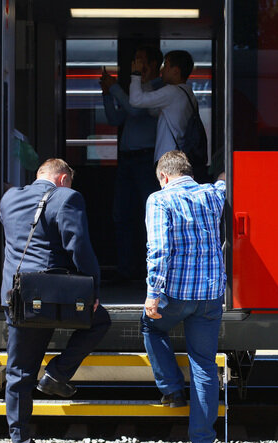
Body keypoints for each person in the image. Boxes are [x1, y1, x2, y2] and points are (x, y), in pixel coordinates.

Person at [0, 158, 111, 443]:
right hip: (53, 297)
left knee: (19, 370)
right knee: (100, 321)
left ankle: (19, 441)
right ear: (63, 179)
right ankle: (57, 373)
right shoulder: (66, 197)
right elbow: (78, 245)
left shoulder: (8, 199)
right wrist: (93, 290)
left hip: (17, 296)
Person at [139, 150, 227, 443]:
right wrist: (221, 176)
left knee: (151, 328)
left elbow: (159, 249)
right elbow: (223, 184)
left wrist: (153, 293)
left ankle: (172, 391)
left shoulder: (159, 200)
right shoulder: (212, 195)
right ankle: (202, 442)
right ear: (187, 171)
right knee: (203, 364)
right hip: (211, 296)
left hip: (176, 295)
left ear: (164, 176)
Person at [99, 45, 163, 281]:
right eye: (135, 60)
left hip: (146, 159)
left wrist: (114, 88)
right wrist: (107, 93)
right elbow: (115, 118)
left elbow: (135, 110)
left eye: (141, 60)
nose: (137, 66)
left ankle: (150, 270)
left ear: (155, 64)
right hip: (127, 160)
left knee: (148, 216)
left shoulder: (159, 88)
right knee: (122, 215)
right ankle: (125, 270)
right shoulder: (134, 90)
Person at [128, 50, 197, 166]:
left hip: (168, 158)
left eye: (166, 65)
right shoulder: (187, 93)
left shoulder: (172, 91)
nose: (162, 70)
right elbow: (154, 111)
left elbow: (135, 100)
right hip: (178, 156)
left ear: (175, 71)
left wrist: (136, 74)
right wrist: (146, 83)